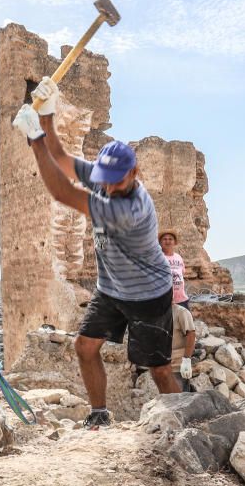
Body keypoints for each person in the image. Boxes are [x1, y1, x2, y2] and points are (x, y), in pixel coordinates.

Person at [13, 77, 180, 429]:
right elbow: (61, 158)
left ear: (134, 173)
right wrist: (47, 114)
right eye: (103, 178)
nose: (107, 186)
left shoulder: (130, 210)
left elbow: (62, 193)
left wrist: (35, 141)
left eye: (115, 181)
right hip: (111, 288)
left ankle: (182, 420)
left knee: (159, 369)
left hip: (148, 295)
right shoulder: (108, 176)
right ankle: (100, 412)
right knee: (85, 347)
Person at [170, 304, 197, 392]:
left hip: (177, 367)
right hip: (162, 366)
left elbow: (191, 334)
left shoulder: (181, 312)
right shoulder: (158, 312)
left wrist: (186, 361)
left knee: (179, 399)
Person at [159, 230, 189, 308]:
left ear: (175, 242)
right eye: (164, 239)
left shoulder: (178, 257)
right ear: (160, 242)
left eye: (170, 239)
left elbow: (182, 274)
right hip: (165, 301)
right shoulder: (158, 258)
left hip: (182, 300)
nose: (167, 241)